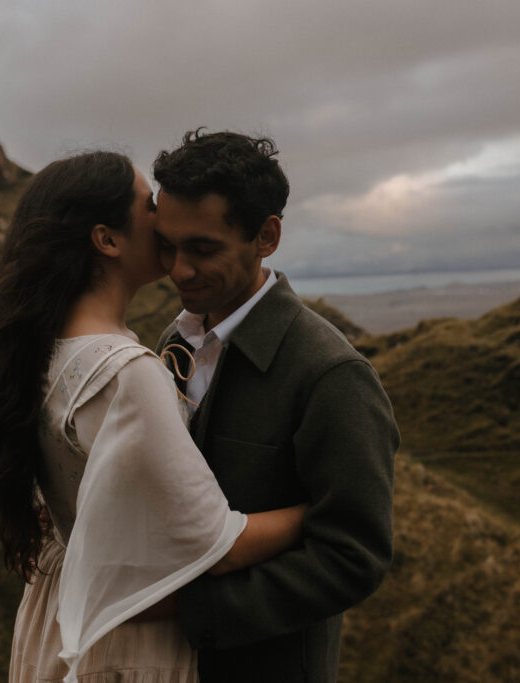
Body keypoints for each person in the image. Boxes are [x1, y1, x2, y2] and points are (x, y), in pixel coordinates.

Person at [0, 151, 307, 683]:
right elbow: (216, 544)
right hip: (122, 635)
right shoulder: (126, 372)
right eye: (149, 205)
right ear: (107, 239)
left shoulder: (39, 348)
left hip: (59, 613)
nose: (164, 217)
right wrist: (319, 510)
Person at [153, 130, 399, 683]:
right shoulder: (172, 340)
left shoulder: (332, 376)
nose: (178, 270)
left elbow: (353, 556)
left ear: (267, 236)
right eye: (167, 245)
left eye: (203, 248)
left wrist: (187, 611)